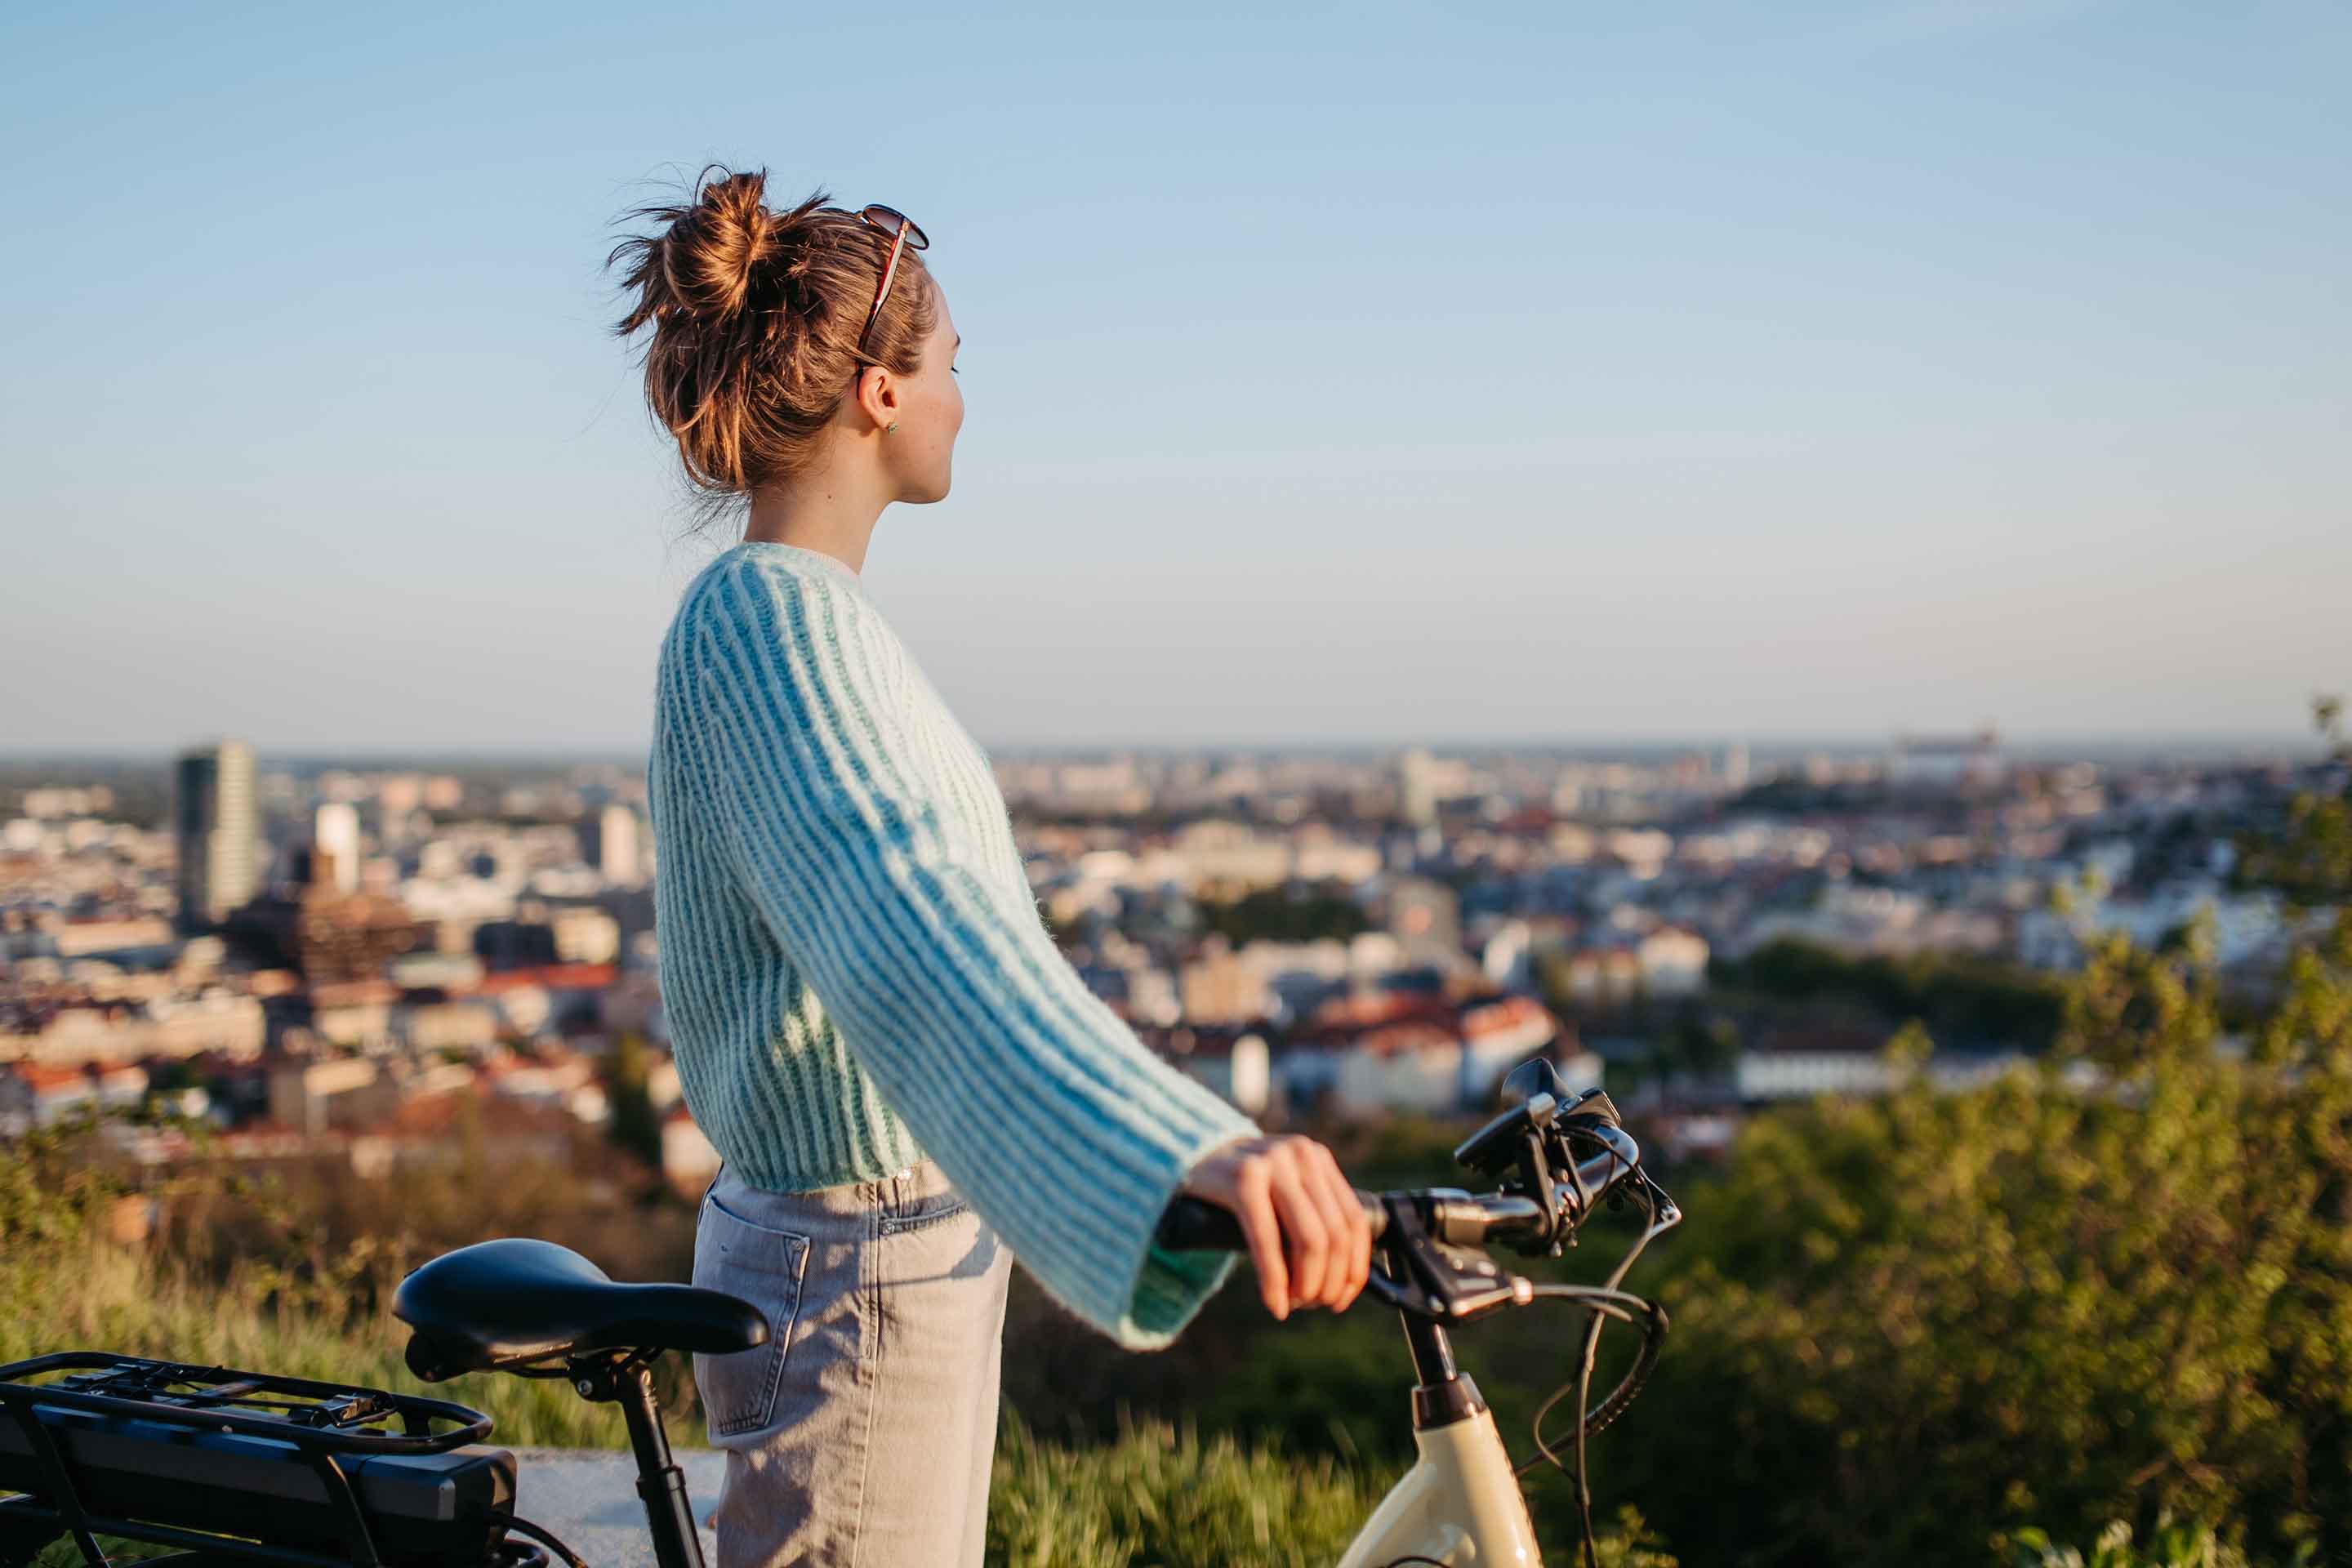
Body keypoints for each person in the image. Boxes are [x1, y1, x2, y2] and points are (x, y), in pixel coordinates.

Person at [617, 166, 1376, 1568]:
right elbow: (906, 920)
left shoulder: (799, 621)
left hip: (876, 1256)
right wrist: (1185, 1148)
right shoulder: (768, 624)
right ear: (881, 393)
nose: (968, 394)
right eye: (955, 362)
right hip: (855, 1272)